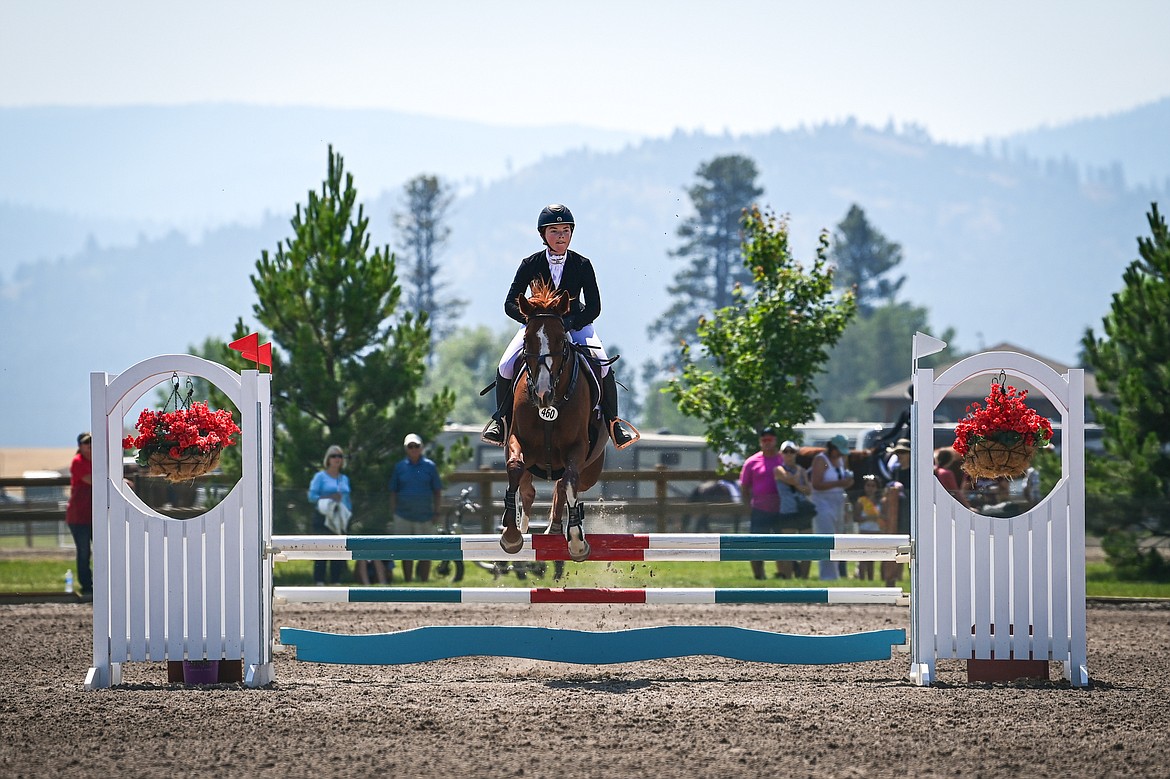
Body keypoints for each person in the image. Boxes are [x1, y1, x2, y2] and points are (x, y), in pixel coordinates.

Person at [481, 204, 639, 451]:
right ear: (543, 235)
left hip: (576, 325)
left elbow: (594, 307)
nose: (561, 235)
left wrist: (569, 324)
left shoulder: (582, 264)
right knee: (505, 365)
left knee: (603, 364)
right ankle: (500, 421)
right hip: (538, 329)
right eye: (554, 231)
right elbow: (509, 303)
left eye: (566, 230)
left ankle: (613, 423)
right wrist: (535, 323)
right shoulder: (530, 263)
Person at [389, 433, 443, 583]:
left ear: (421, 447)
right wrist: (394, 512)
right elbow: (393, 491)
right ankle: (408, 581)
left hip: (425, 515)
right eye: (410, 446)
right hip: (403, 515)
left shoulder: (430, 467)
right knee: (406, 551)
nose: (413, 449)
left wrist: (437, 512)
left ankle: (424, 582)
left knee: (426, 551)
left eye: (416, 446)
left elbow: (437, 491)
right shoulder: (399, 467)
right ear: (406, 449)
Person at [739, 426, 788, 581]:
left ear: (775, 441)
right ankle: (759, 575)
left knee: (782, 543)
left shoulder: (782, 459)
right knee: (756, 544)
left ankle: (783, 574)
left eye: (770, 439)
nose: (767, 443)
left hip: (781, 508)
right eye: (764, 440)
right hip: (760, 508)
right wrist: (748, 507)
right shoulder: (752, 462)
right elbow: (744, 486)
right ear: (760, 442)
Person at [809, 434, 855, 581]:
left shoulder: (841, 460)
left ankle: (835, 574)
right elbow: (816, 484)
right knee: (826, 539)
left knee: (838, 539)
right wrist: (839, 484)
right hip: (822, 505)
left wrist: (847, 483)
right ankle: (827, 576)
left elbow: (844, 479)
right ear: (832, 448)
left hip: (838, 503)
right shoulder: (821, 460)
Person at [307, 445, 351, 586]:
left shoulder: (344, 478)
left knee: (338, 549)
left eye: (340, 456)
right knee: (321, 549)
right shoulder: (320, 477)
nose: (337, 459)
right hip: (323, 517)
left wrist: (348, 515)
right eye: (333, 456)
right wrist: (329, 496)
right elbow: (311, 496)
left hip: (339, 518)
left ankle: (336, 580)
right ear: (328, 459)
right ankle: (319, 580)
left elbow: (347, 499)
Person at [773, 439, 813, 579]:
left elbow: (808, 490)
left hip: (802, 511)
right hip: (787, 511)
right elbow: (791, 480)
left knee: (808, 547)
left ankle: (804, 578)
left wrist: (797, 483)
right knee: (788, 547)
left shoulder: (801, 470)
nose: (789, 455)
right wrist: (798, 483)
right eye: (786, 452)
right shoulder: (778, 469)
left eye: (792, 451)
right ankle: (788, 578)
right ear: (781, 454)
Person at [65, 432, 94, 600]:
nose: (89, 445)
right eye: (86, 443)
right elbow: (91, 480)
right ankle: (86, 586)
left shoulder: (97, 460)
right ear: (80, 446)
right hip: (79, 516)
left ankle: (102, 583)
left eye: (91, 442)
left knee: (101, 551)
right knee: (84, 551)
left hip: (94, 515)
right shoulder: (78, 462)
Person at [854, 475, 884, 581]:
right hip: (864, 531)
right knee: (863, 558)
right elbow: (856, 517)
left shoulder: (881, 501)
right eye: (868, 485)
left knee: (872, 558)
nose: (870, 488)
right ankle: (862, 579)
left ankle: (871, 579)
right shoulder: (861, 501)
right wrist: (869, 518)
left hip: (877, 531)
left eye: (873, 485)